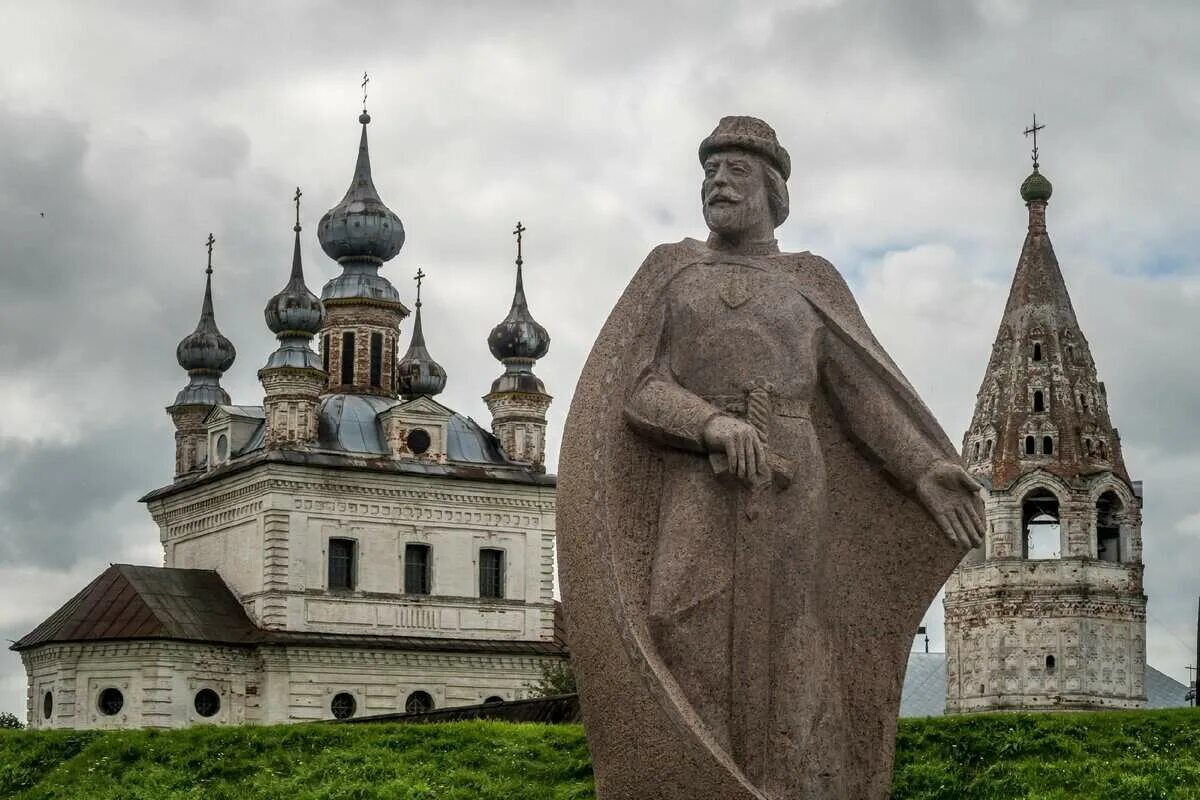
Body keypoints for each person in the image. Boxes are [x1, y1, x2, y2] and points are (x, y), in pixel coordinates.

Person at [558, 116, 984, 800]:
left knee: (792, 629)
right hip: (703, 470)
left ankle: (793, 782)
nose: (718, 182)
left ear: (774, 191)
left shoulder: (808, 280)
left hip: (793, 473)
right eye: (710, 172)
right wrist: (710, 424)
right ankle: (701, 778)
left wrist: (920, 468)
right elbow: (635, 389)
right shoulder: (675, 273)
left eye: (736, 172)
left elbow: (858, 393)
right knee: (677, 613)